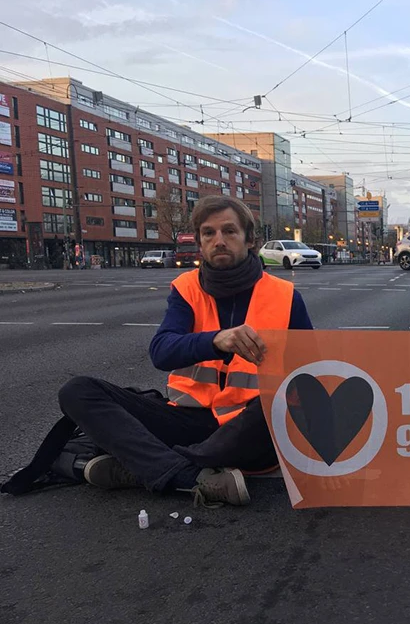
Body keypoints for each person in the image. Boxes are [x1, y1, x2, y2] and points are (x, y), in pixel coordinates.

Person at [55, 195, 314, 507]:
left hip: (251, 426)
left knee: (279, 402)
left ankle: (147, 467)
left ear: (250, 241)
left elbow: (311, 373)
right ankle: (187, 476)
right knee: (78, 390)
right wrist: (215, 340)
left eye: (229, 232)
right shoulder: (186, 289)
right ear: (200, 242)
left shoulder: (285, 297)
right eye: (209, 233)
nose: (219, 240)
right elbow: (161, 352)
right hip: (189, 422)